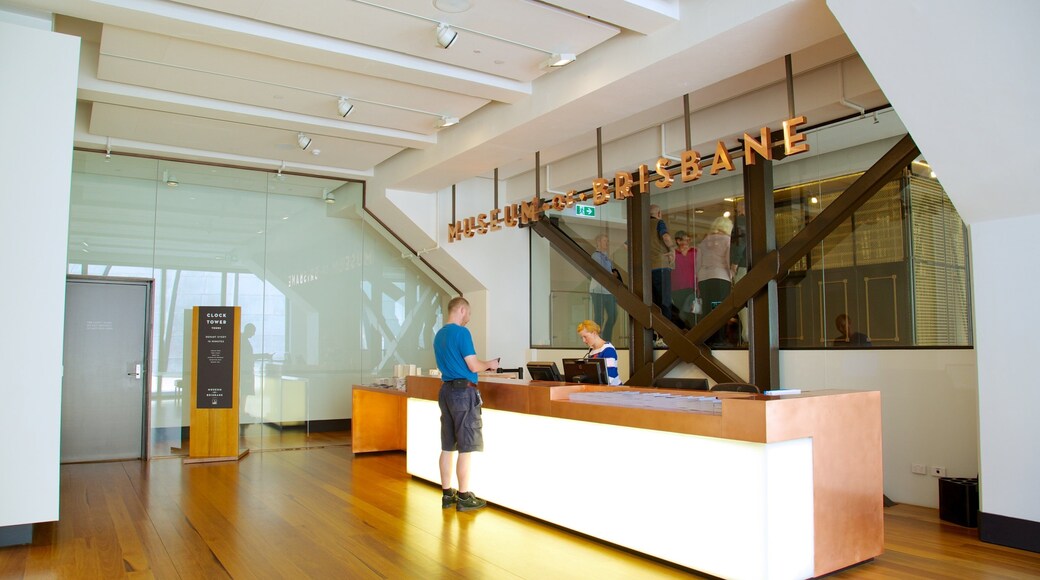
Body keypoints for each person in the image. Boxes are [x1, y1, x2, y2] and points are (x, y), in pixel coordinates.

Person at [433, 296, 499, 512]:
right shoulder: (462, 333)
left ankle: (446, 494)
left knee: (447, 445)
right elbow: (472, 365)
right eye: (469, 314)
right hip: (463, 392)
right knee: (465, 447)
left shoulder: (439, 335)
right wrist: (489, 365)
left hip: (446, 391)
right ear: (461, 309)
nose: (469, 319)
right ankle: (464, 496)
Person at [697, 216, 733, 346]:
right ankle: (719, 338)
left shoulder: (704, 242)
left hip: (704, 278)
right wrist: (732, 275)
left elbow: (698, 262)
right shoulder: (727, 240)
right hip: (720, 276)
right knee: (719, 307)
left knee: (707, 308)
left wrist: (698, 278)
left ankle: (707, 337)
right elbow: (729, 260)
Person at [649, 204, 677, 324]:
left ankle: (655, 335)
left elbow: (626, 245)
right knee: (665, 301)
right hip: (660, 266)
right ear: (659, 213)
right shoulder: (659, 223)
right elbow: (665, 237)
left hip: (647, 270)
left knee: (654, 302)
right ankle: (666, 333)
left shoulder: (641, 226)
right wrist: (672, 249)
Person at [589, 234, 618, 342]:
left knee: (613, 315)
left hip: (608, 291)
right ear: (598, 242)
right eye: (605, 240)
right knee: (599, 317)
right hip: (598, 290)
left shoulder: (607, 257)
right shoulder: (596, 256)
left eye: (607, 241)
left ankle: (606, 339)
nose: (607, 243)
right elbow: (604, 272)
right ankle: (596, 339)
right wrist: (612, 274)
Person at [576, 320, 622, 386]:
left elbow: (610, 377)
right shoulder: (591, 350)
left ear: (594, 333)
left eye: (585, 337)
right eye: (582, 338)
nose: (584, 340)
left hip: (613, 390)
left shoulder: (608, 349)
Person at [730, 200, 748, 344]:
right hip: (754, 265)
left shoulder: (741, 221)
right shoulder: (756, 222)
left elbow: (739, 242)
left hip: (742, 264)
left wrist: (734, 263)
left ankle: (747, 334)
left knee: (742, 299)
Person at [671, 230, 697, 329]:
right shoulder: (673, 253)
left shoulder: (695, 252)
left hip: (692, 287)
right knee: (679, 314)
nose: (688, 242)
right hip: (676, 288)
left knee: (689, 313)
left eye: (689, 240)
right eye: (686, 240)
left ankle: (691, 334)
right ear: (678, 241)